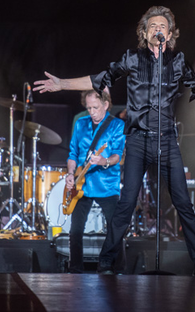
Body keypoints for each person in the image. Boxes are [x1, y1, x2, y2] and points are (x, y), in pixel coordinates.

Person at [35, 5, 195, 276]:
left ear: (170, 33)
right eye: (152, 26)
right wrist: (62, 84)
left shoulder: (177, 62)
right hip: (138, 141)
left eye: (162, 26)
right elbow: (99, 79)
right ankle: (106, 262)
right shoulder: (132, 59)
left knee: (183, 202)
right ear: (144, 32)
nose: (157, 29)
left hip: (167, 141)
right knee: (126, 203)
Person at [65, 90, 126, 273]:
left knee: (115, 230)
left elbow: (117, 155)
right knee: (75, 231)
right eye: (88, 107)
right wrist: (70, 173)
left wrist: (104, 161)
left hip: (107, 185)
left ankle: (117, 268)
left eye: (95, 107)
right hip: (82, 184)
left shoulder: (117, 125)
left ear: (106, 105)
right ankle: (75, 269)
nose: (91, 112)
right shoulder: (80, 124)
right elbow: (72, 153)